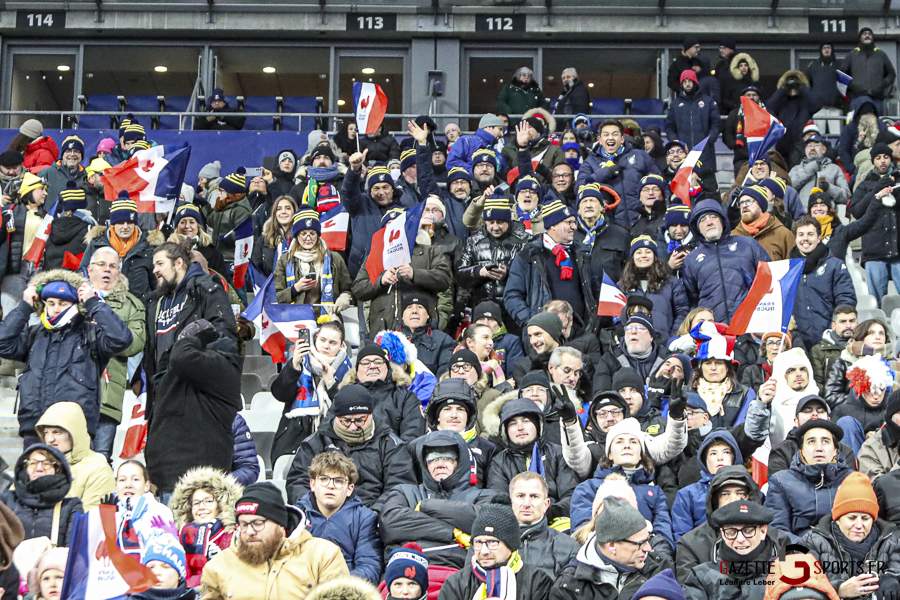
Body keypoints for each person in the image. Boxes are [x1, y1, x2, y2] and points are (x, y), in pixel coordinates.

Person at [143, 241, 240, 495]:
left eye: (160, 264)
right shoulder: (155, 303)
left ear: (179, 263)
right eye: (153, 265)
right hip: (164, 397)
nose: (155, 270)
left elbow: (224, 335)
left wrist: (192, 352)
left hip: (193, 393)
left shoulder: (206, 289)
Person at [0, 269, 132, 447]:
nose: (55, 309)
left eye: (62, 303)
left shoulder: (90, 332)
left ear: (75, 304)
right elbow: (3, 344)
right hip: (35, 427)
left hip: (75, 429)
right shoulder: (34, 334)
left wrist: (93, 303)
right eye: (51, 303)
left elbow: (121, 339)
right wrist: (24, 308)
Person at [200, 482, 349, 600]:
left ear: (280, 524)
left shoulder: (323, 555)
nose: (250, 532)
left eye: (258, 523)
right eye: (244, 524)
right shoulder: (219, 565)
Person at [379, 430, 496, 568]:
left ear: (460, 461)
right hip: (406, 573)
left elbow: (483, 522)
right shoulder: (404, 492)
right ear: (424, 463)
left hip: (458, 573)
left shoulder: (484, 496)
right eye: (433, 458)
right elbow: (389, 524)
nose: (440, 464)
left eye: (447, 458)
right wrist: (454, 533)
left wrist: (426, 506)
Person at [285, 385, 403, 511]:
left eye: (360, 420)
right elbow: (298, 483)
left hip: (374, 515)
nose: (353, 427)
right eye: (346, 421)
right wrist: (316, 512)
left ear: (370, 415)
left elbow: (399, 485)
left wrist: (376, 513)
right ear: (336, 416)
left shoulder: (390, 444)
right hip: (325, 513)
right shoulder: (315, 443)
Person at [569, 418, 675, 547]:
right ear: (610, 454)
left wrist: (654, 559)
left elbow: (663, 537)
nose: (627, 445)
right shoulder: (588, 488)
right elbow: (582, 533)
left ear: (640, 454)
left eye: (633, 441)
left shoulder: (655, 493)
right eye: (619, 441)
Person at [83, 246, 146, 458]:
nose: (106, 270)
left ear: (119, 273)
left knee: (100, 461)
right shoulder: (71, 299)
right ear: (90, 270)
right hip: (71, 393)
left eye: (112, 266)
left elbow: (135, 344)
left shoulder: (132, 305)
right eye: (101, 265)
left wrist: (101, 328)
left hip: (107, 397)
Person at [351, 207, 452, 333]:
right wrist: (380, 281)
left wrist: (414, 274)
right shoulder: (374, 257)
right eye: (389, 225)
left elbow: (445, 279)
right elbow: (358, 289)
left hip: (420, 332)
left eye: (399, 224)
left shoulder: (430, 252)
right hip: (382, 330)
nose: (394, 228)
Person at [801, 471, 900, 597]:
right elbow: (802, 586)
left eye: (865, 518)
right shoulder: (812, 542)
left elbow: (897, 568)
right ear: (837, 519)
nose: (859, 525)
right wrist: (838, 590)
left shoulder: (891, 541)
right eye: (852, 518)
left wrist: (892, 578)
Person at [505, 200, 599, 330]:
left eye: (574, 222)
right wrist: (532, 323)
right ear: (552, 226)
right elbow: (512, 295)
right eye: (568, 222)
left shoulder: (582, 253)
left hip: (581, 333)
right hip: (544, 335)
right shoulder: (529, 255)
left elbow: (594, 292)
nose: (574, 227)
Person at [551, 496, 669, 600]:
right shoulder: (568, 585)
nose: (648, 548)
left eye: (648, 540)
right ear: (612, 545)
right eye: (640, 544)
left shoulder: (660, 569)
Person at [438, 495, 553, 600]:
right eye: (478, 543)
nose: (484, 551)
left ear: (511, 545)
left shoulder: (537, 581)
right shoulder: (455, 584)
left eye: (492, 542)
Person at [269, 320, 352, 462]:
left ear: (341, 345)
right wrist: (294, 366)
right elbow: (280, 394)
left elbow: (349, 410)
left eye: (333, 343)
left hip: (334, 442)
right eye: (323, 340)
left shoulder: (348, 371)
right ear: (315, 338)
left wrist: (330, 383)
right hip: (294, 438)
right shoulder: (301, 362)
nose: (326, 346)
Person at [484, 398, 579, 522]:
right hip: (515, 523)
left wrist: (546, 512)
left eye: (526, 421)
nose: (520, 427)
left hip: (556, 520)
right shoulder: (499, 462)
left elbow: (571, 495)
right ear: (506, 431)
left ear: (537, 426)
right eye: (513, 423)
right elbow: (499, 499)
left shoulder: (557, 453)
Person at [297, 452, 382, 585]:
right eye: (324, 479)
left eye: (339, 481)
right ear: (313, 484)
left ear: (349, 489)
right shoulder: (297, 515)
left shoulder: (364, 518)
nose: (331, 486)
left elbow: (370, 566)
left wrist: (336, 584)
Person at [682, 198, 770, 322]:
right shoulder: (691, 259)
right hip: (713, 329)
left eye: (713, 217)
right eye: (703, 220)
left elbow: (770, 279)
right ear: (698, 229)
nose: (709, 222)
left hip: (750, 325)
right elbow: (692, 298)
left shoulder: (748, 245)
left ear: (723, 221)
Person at [683, 501, 787, 600]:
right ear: (723, 534)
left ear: (763, 531)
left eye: (748, 531)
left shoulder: (785, 573)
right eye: (731, 532)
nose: (740, 539)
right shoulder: (701, 577)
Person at [765, 419, 853, 536]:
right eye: (811, 442)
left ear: (835, 451)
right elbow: (777, 531)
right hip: (799, 550)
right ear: (801, 451)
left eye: (825, 441)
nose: (819, 448)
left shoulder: (853, 480)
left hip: (843, 551)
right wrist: (806, 550)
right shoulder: (781, 481)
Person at [576, 120, 662, 228]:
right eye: (606, 134)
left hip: (642, 222)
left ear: (622, 139)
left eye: (615, 134)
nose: (611, 138)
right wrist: (606, 172)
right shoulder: (590, 162)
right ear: (600, 140)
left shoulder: (641, 156)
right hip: (609, 226)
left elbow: (661, 184)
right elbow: (580, 188)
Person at [81, 193, 163, 303]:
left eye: (129, 222)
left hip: (140, 310)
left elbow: (158, 283)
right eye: (120, 222)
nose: (125, 227)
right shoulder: (96, 244)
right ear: (113, 224)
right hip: (103, 306)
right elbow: (83, 274)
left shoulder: (150, 246)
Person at [168, 466, 242, 588]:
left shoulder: (233, 535)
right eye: (196, 503)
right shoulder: (182, 535)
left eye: (208, 501)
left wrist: (220, 561)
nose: (201, 507)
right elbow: (180, 575)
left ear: (221, 504)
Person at [337, 344, 425, 443]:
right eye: (366, 363)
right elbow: (328, 432)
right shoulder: (343, 398)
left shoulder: (406, 398)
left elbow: (413, 436)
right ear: (357, 371)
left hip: (394, 455)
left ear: (388, 369)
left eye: (378, 362)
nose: (372, 366)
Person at [34, 403, 113, 511]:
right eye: (46, 433)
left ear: (75, 434)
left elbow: (89, 519)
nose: (49, 439)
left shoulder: (98, 470)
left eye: (57, 432)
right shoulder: (35, 465)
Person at [273, 209, 352, 316]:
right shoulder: (285, 260)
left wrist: (346, 296)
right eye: (303, 234)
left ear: (318, 235)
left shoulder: (335, 259)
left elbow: (349, 289)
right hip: (294, 321)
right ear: (296, 236)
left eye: (312, 233)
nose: (308, 238)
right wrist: (295, 289)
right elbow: (274, 297)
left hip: (328, 321)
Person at [0, 444, 81, 546]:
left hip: (53, 561)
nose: (39, 468)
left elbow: (73, 551)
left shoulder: (70, 506)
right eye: (33, 463)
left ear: (58, 469)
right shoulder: (7, 499)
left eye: (47, 464)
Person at [671, 430, 744, 541]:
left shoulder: (749, 490)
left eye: (726, 452)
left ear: (734, 457)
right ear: (705, 460)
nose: (720, 458)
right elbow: (682, 539)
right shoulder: (687, 495)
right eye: (713, 453)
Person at [850, 146, 900, 303]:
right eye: (878, 158)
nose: (883, 160)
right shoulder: (865, 185)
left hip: (898, 251)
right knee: (876, 305)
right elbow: (856, 211)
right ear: (873, 162)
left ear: (891, 159)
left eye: (886, 156)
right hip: (874, 251)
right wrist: (876, 191)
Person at [508, 472, 580, 577]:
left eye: (534, 496)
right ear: (510, 502)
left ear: (546, 504)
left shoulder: (570, 548)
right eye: (520, 496)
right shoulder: (492, 544)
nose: (527, 504)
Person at [689, 321, 756, 428]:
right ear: (701, 367)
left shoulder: (745, 394)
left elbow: (744, 430)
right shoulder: (686, 393)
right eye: (707, 363)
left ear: (727, 367)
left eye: (719, 363)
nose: (713, 367)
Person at [619, 236, 688, 337]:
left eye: (648, 252)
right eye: (638, 252)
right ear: (632, 257)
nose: (643, 256)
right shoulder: (622, 286)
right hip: (632, 343)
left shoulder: (671, 283)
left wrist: (674, 337)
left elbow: (682, 312)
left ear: (654, 256)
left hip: (664, 344)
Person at [112, 460, 175, 557]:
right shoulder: (107, 513)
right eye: (122, 480)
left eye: (135, 479)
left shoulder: (160, 512)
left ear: (147, 486)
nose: (128, 485)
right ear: (116, 486)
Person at [593, 313, 671, 392]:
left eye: (640, 328)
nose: (633, 331)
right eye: (628, 328)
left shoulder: (668, 360)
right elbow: (601, 394)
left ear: (651, 336)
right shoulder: (609, 359)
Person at [824, 319, 889, 410]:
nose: (878, 337)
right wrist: (864, 402)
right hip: (852, 414)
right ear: (861, 337)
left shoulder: (890, 362)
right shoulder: (843, 360)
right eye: (872, 333)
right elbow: (831, 396)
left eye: (881, 333)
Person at [573, 183, 630, 283]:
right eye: (584, 201)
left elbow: (629, 270)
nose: (588, 205)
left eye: (593, 201)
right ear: (578, 210)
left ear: (602, 207)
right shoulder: (569, 235)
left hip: (610, 295)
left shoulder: (620, 234)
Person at [666, 71, 720, 169]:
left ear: (695, 82)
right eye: (684, 81)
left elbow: (716, 123)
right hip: (683, 154)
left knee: (707, 182)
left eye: (690, 81)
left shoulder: (708, 102)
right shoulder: (675, 104)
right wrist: (677, 143)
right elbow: (670, 127)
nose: (687, 84)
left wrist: (709, 141)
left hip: (705, 153)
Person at [768, 70, 824, 159]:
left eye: (795, 87)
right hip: (783, 142)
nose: (793, 89)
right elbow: (769, 107)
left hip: (800, 142)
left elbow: (817, 105)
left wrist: (801, 88)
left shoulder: (805, 101)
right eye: (790, 88)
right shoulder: (781, 101)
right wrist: (783, 89)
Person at [730, 185, 795, 260]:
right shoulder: (733, 237)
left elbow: (793, 268)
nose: (744, 206)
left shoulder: (783, 235)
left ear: (761, 205)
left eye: (749, 201)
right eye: (741, 203)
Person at [788, 135, 851, 209]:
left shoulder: (834, 168)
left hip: (827, 217)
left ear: (824, 149)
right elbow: (788, 189)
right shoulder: (796, 169)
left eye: (816, 145)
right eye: (809, 146)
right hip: (802, 216)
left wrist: (829, 188)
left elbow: (846, 196)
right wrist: (810, 168)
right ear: (805, 150)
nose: (812, 148)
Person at [839, 27, 897, 107]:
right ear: (860, 37)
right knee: (859, 119)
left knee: (876, 119)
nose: (867, 36)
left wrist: (882, 84)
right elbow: (842, 75)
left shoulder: (881, 54)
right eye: (864, 34)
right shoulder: (852, 55)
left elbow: (891, 74)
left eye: (870, 34)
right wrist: (853, 86)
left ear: (873, 37)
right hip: (857, 98)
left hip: (877, 99)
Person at [172, 203, 228, 277]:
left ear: (198, 227)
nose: (187, 226)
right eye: (182, 222)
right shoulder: (168, 250)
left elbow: (221, 281)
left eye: (192, 222)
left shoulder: (213, 253)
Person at [810, 306, 858, 390]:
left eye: (852, 321)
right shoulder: (818, 350)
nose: (848, 326)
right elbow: (818, 384)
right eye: (843, 322)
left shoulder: (865, 347)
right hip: (831, 399)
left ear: (857, 323)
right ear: (833, 326)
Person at [251, 195, 297, 278]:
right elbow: (256, 267)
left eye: (288, 208)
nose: (283, 212)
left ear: (294, 211)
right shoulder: (264, 239)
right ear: (275, 213)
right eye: (279, 209)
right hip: (271, 287)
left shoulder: (301, 237)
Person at [37, 136, 87, 209]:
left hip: (77, 219)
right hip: (51, 219)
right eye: (68, 151)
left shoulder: (86, 176)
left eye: (76, 151)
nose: (72, 154)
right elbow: (35, 200)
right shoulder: (46, 173)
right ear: (62, 155)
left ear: (81, 156)